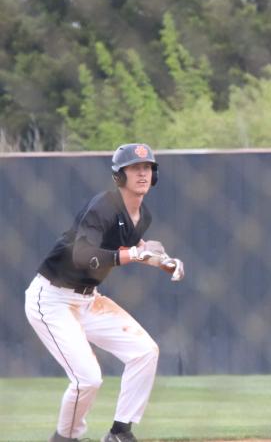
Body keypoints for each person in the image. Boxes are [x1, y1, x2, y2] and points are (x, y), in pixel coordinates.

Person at [25, 143, 184, 442]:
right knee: (88, 379)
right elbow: (83, 255)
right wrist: (138, 255)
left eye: (147, 167)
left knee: (144, 352)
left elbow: (135, 249)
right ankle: (65, 438)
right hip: (52, 298)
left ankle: (120, 433)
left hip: (89, 300)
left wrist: (166, 263)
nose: (142, 173)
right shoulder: (104, 206)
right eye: (134, 168)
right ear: (119, 176)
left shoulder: (141, 216)